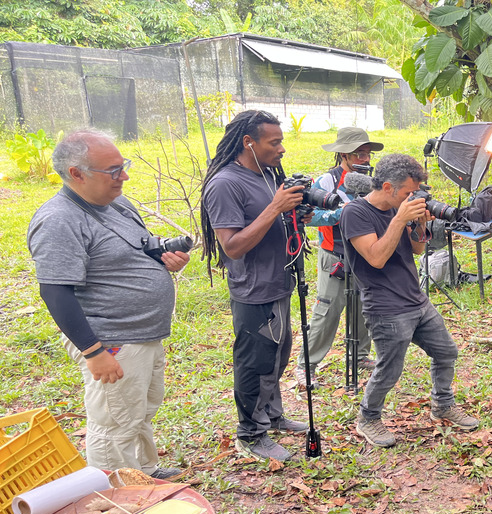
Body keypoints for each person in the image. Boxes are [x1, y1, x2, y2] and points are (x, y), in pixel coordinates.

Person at [27, 129, 190, 479]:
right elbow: (55, 292)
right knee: (114, 423)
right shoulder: (59, 220)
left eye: (124, 166)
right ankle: (118, 500)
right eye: (113, 170)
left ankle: (144, 473)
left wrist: (165, 255)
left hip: (142, 333)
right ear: (76, 173)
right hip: (111, 339)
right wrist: (93, 351)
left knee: (139, 410)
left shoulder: (116, 203)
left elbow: (143, 244)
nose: (124, 177)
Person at [340, 154, 479, 447]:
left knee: (446, 352)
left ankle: (442, 403)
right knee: (389, 369)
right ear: (388, 187)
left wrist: (416, 224)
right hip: (385, 307)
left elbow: (417, 250)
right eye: (407, 193)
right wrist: (400, 219)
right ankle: (368, 417)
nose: (411, 197)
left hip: (416, 300)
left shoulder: (398, 208)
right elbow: (376, 258)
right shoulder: (356, 213)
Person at [200, 110, 311, 462]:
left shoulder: (265, 175)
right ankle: (250, 434)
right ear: (249, 142)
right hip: (253, 291)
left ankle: (272, 415)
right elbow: (232, 245)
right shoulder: (225, 184)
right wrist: (275, 208)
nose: (281, 149)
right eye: (274, 142)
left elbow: (272, 220)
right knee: (255, 363)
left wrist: (294, 215)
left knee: (277, 356)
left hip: (278, 282)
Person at [299, 127, 384, 386]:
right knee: (327, 310)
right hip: (335, 255)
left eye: (367, 153)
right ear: (344, 154)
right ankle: (307, 364)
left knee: (363, 307)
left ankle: (359, 355)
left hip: (366, 254)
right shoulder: (326, 182)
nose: (365, 159)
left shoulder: (374, 180)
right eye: (359, 154)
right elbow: (308, 216)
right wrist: (342, 212)